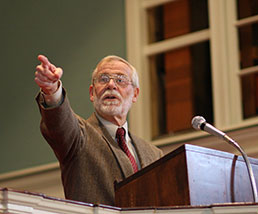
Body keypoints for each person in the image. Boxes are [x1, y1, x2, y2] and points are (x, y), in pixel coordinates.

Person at [34, 54, 163, 206]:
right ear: (92, 93)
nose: (111, 85)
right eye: (103, 79)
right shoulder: (79, 136)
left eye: (120, 80)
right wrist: (52, 91)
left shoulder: (155, 154)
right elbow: (60, 124)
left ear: (135, 94)